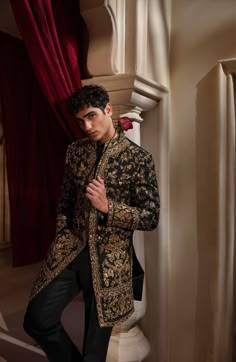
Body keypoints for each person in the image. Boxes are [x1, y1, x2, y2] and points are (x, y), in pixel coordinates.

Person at [23, 84, 160, 362]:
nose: (86, 125)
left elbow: (150, 216)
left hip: (110, 262)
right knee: (37, 319)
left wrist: (108, 207)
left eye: (92, 116)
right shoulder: (76, 152)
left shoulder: (138, 158)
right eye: (81, 120)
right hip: (71, 252)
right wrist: (62, 234)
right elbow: (65, 201)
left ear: (108, 109)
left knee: (95, 353)